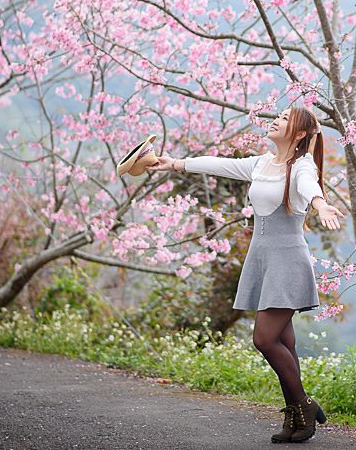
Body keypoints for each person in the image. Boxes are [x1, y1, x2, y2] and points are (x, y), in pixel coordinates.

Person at [148, 105, 345, 443]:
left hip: (287, 262)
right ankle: (297, 420)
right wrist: (176, 163)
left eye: (284, 119)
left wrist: (321, 205)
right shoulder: (261, 163)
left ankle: (304, 405)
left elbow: (310, 186)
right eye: (277, 115)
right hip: (262, 259)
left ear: (299, 134)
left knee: (264, 339)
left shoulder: (301, 166)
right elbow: (220, 165)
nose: (276, 120)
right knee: (285, 341)